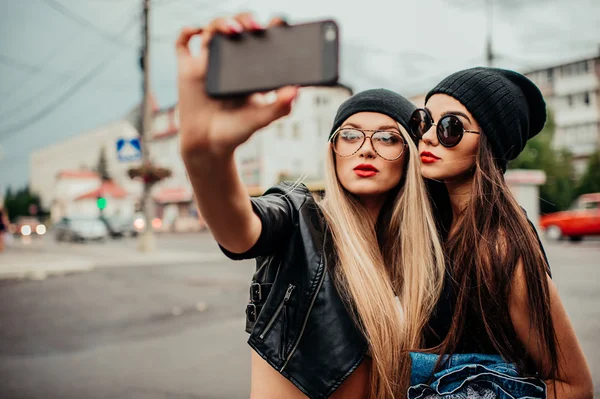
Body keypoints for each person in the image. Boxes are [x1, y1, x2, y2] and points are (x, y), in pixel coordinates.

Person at [176, 14, 445, 399]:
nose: (365, 147)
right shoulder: (300, 217)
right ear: (333, 151)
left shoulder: (425, 255)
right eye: (349, 134)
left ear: (409, 156)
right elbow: (240, 230)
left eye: (387, 137)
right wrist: (207, 159)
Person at [408, 67, 593, 398]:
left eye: (450, 127)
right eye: (424, 121)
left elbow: (574, 385)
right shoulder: (440, 227)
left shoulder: (500, 247)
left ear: (489, 143)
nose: (429, 136)